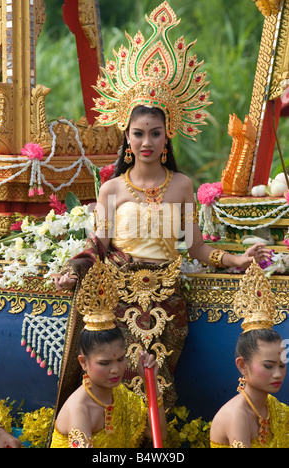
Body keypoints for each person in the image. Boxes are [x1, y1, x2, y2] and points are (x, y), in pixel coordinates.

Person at [53, 2, 271, 411]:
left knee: (158, 388)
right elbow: (98, 244)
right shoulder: (112, 189)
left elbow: (196, 249)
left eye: (155, 133)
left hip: (169, 302)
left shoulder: (183, 185)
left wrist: (237, 259)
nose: (146, 142)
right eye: (138, 134)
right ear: (127, 138)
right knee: (121, 386)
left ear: (167, 136)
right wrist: (72, 269)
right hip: (120, 297)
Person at [50, 258, 166, 448]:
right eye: (104, 363)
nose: (115, 370)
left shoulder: (120, 395)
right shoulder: (80, 408)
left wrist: (150, 384)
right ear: (83, 362)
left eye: (120, 359)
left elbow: (158, 434)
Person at [210, 260, 289, 448]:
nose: (278, 374)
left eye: (282, 365)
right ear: (242, 365)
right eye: (268, 366)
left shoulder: (275, 409)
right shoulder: (237, 415)